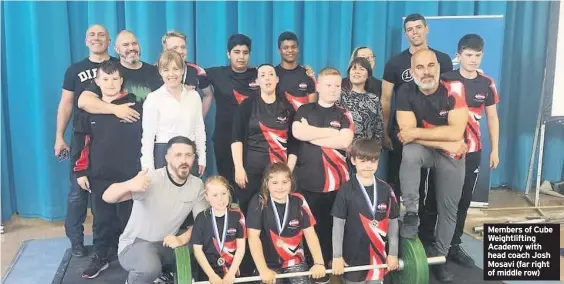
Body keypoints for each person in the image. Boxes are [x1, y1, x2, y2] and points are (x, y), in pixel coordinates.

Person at [419, 34, 500, 267]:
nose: (473, 59)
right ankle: (425, 241)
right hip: (444, 150)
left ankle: (453, 244)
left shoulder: (487, 83)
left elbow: (493, 117)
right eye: (468, 55)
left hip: (472, 152)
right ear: (459, 56)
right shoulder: (445, 80)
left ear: (482, 55)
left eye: (477, 55)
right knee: (434, 197)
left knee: (463, 200)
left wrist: (495, 149)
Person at [395, 49, 468, 283]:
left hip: (453, 154)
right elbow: (406, 136)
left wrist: (417, 133)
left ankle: (441, 256)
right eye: (419, 67)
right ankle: (412, 214)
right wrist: (447, 139)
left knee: (449, 209)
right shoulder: (405, 91)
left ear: (438, 67)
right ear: (412, 71)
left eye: (430, 66)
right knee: (410, 152)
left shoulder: (454, 88)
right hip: (431, 149)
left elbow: (457, 132)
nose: (426, 71)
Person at [103, 136, 208, 284]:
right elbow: (107, 196)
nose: (184, 160)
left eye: (188, 155)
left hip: (166, 243)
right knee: (149, 268)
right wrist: (130, 184)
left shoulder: (197, 185)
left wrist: (181, 239)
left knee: (203, 244)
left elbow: (201, 222)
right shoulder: (151, 179)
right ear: (167, 158)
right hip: (136, 244)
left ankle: (162, 274)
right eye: (178, 155)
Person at [71, 60, 139, 278]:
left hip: (130, 175)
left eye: (115, 79)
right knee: (101, 219)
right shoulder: (89, 111)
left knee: (130, 219)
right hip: (100, 175)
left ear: (122, 81)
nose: (111, 83)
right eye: (106, 79)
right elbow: (81, 143)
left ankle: (134, 258)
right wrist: (80, 172)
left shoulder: (136, 107)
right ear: (97, 82)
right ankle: (101, 255)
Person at [55, 24, 116, 257]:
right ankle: (76, 242)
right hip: (83, 138)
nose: (97, 38)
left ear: (109, 41)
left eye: (102, 35)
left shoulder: (118, 67)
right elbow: (66, 103)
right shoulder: (75, 70)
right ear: (85, 41)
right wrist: (59, 136)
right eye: (92, 34)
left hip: (112, 138)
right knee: (77, 194)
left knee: (111, 193)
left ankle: (113, 240)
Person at [381, 13, 453, 197]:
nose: (415, 33)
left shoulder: (443, 60)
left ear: (426, 29)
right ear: (406, 34)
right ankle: (402, 221)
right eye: (410, 29)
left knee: (435, 189)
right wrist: (384, 131)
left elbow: (451, 95)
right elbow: (386, 99)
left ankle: (427, 224)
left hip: (437, 133)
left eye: (419, 27)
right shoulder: (394, 63)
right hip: (404, 132)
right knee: (403, 185)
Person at [292, 67, 354, 277]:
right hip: (308, 182)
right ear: (318, 86)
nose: (333, 89)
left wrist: (311, 135)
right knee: (309, 227)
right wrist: (329, 133)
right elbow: (297, 132)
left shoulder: (344, 113)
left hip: (337, 184)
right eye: (328, 85)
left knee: (332, 227)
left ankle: (330, 266)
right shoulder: (304, 110)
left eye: (337, 85)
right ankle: (311, 265)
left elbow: (345, 141)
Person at [231, 64, 298, 214]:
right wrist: (239, 168)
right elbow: (236, 138)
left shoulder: (287, 107)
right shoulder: (247, 105)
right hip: (251, 170)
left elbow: (294, 143)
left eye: (271, 74)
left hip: (277, 172)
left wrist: (288, 171)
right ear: (257, 81)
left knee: (274, 213)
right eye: (263, 75)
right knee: (249, 211)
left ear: (277, 79)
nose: (267, 78)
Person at [331, 138, 400, 284]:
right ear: (353, 160)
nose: (368, 166)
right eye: (363, 161)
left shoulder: (386, 190)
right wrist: (337, 256)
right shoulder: (345, 190)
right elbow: (338, 226)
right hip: (352, 258)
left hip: (377, 259)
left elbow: (393, 224)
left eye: (373, 161)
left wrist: (393, 253)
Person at [246, 163, 326, 284]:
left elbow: (310, 234)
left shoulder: (299, 200)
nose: (280, 187)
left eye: (285, 182)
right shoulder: (259, 201)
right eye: (274, 183)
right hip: (268, 264)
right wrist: (263, 270)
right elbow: (253, 238)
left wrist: (319, 263)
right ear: (266, 183)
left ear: (291, 182)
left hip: (295, 261)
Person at [203, 34, 259, 189]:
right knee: (228, 188)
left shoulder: (259, 74)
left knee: (251, 187)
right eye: (236, 52)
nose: (241, 56)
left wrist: (306, 71)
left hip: (252, 141)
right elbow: (188, 72)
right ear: (228, 54)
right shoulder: (216, 73)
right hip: (224, 140)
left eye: (245, 52)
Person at [141, 50, 206, 177]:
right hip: (164, 153)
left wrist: (202, 156)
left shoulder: (193, 96)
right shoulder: (153, 98)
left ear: (182, 70)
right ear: (160, 72)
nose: (171, 74)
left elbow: (199, 128)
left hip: (189, 153)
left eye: (175, 69)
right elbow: (148, 136)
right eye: (166, 70)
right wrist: (148, 167)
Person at [78, 30, 162, 118]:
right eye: (125, 45)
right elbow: (84, 101)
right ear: (117, 49)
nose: (131, 48)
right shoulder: (111, 73)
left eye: (134, 43)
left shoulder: (155, 71)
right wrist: (115, 109)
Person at [191, 176, 246, 283]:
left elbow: (240, 248)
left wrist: (230, 274)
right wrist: (212, 276)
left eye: (224, 194)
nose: (220, 199)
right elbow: (197, 251)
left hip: (232, 272)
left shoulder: (238, 216)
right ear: (207, 197)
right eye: (215, 195)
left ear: (229, 193)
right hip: (208, 273)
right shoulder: (201, 218)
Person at [161, 30, 215, 117]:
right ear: (165, 50)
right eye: (175, 48)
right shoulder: (154, 71)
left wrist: (200, 119)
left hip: (188, 127)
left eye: (183, 47)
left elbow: (208, 95)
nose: (180, 51)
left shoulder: (197, 71)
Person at [337, 57, 384, 147]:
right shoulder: (339, 95)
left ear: (368, 75)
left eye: (361, 69)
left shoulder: (374, 99)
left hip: (365, 152)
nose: (357, 72)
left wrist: (375, 151)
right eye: (353, 68)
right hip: (342, 148)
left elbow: (379, 129)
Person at [275, 31, 317, 110]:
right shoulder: (273, 74)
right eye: (285, 48)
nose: (290, 50)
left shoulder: (307, 74)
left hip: (302, 121)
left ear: (298, 49)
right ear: (279, 51)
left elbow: (313, 110)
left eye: (293, 47)